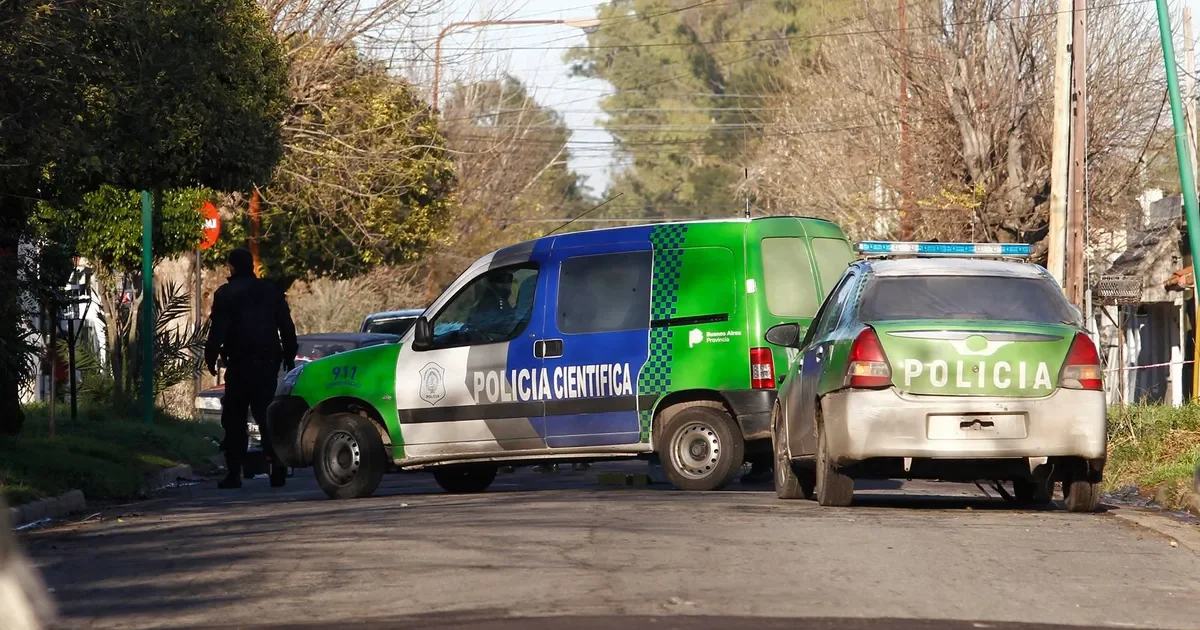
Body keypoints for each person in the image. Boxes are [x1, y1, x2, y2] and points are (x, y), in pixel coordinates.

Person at [204, 248, 298, 490]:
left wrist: (211, 355)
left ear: (232, 267)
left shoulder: (226, 294)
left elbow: (218, 330)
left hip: (239, 364)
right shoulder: (271, 291)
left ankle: (234, 473)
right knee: (266, 415)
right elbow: (286, 326)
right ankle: (277, 465)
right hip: (267, 364)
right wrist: (289, 353)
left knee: (235, 419)